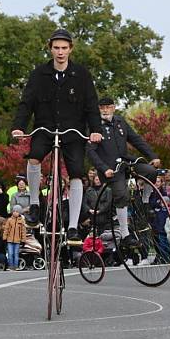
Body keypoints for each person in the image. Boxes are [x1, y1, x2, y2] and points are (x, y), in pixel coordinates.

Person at [11, 28, 102, 244]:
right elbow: (27, 103)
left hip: (73, 131)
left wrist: (95, 130)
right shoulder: (39, 74)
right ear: (50, 49)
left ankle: (72, 226)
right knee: (34, 156)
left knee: (76, 173)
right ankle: (34, 203)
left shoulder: (81, 74)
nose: (60, 52)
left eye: (64, 48)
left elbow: (91, 105)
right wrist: (18, 127)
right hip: (45, 127)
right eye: (56, 48)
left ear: (70, 49)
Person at [86, 97, 160, 247]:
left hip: (126, 162)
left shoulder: (120, 122)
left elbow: (136, 139)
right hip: (111, 169)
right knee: (122, 194)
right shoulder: (94, 126)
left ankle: (145, 202)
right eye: (102, 108)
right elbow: (90, 152)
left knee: (151, 171)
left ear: (114, 108)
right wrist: (103, 168)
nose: (105, 110)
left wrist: (152, 156)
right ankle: (126, 235)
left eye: (108, 107)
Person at [3, 204, 27, 271]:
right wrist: (4, 238)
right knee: (10, 253)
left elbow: (23, 231)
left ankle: (16, 266)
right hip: (9, 240)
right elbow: (6, 229)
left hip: (17, 240)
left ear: (19, 213)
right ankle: (10, 266)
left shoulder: (21, 221)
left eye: (17, 211)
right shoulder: (9, 220)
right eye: (14, 211)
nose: (15, 213)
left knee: (16, 254)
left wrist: (23, 240)